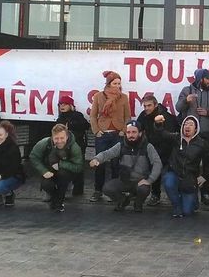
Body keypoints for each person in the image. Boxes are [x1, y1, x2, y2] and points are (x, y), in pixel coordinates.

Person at [89, 120, 162, 212]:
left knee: (143, 189)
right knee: (107, 188)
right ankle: (122, 200)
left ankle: (138, 203)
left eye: (134, 132)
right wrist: (97, 159)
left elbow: (157, 163)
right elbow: (107, 153)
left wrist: (150, 180)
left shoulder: (148, 146)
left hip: (141, 181)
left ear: (140, 133)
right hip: (124, 180)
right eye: (128, 132)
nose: (131, 135)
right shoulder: (121, 145)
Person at [175, 68, 209, 206]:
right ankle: (190, 191)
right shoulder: (186, 90)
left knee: (208, 163)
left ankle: (205, 193)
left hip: (206, 132)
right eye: (207, 78)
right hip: (190, 134)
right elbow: (178, 107)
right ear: (200, 78)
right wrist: (186, 101)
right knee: (189, 163)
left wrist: (208, 112)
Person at [155, 114, 209, 217]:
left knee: (187, 211)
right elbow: (162, 134)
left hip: (190, 177)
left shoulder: (202, 144)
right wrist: (158, 123)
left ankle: (193, 200)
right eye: (185, 124)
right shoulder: (176, 138)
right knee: (168, 181)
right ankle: (176, 206)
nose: (187, 126)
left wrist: (204, 176)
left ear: (196, 129)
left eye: (190, 124)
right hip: (174, 172)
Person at [89, 71, 131, 202]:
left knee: (115, 163)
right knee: (99, 162)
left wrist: (123, 131)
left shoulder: (124, 97)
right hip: (103, 134)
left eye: (119, 83)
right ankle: (98, 190)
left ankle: (113, 190)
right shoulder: (98, 96)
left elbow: (127, 116)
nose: (117, 86)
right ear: (108, 84)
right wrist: (96, 131)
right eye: (114, 83)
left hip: (117, 134)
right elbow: (93, 115)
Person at [30, 124, 83, 212]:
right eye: (56, 138)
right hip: (49, 170)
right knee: (46, 184)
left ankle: (59, 201)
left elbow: (79, 167)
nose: (59, 141)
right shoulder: (44, 143)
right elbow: (33, 157)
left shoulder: (74, 147)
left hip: (66, 172)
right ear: (52, 137)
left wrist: (61, 164)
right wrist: (43, 171)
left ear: (67, 136)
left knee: (63, 175)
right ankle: (54, 197)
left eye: (62, 138)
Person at [136, 94, 177, 206]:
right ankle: (154, 195)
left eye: (149, 105)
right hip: (151, 147)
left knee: (167, 174)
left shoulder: (165, 117)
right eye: (144, 106)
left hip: (166, 149)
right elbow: (137, 127)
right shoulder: (144, 115)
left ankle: (170, 195)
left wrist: (159, 152)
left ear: (155, 105)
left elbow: (170, 136)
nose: (146, 108)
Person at [56, 95, 90, 196]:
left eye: (64, 104)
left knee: (78, 167)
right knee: (64, 166)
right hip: (64, 146)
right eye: (60, 104)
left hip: (78, 144)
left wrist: (70, 125)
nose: (62, 106)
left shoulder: (77, 115)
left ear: (70, 105)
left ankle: (78, 189)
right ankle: (65, 187)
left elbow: (86, 126)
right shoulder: (60, 117)